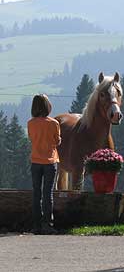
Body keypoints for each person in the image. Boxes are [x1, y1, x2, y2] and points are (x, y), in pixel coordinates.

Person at [27, 94, 61, 235]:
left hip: (35, 161)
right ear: (48, 106)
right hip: (50, 162)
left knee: (37, 193)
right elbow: (57, 141)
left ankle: (36, 225)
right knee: (48, 194)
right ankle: (47, 224)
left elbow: (31, 138)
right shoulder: (54, 123)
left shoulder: (30, 123)